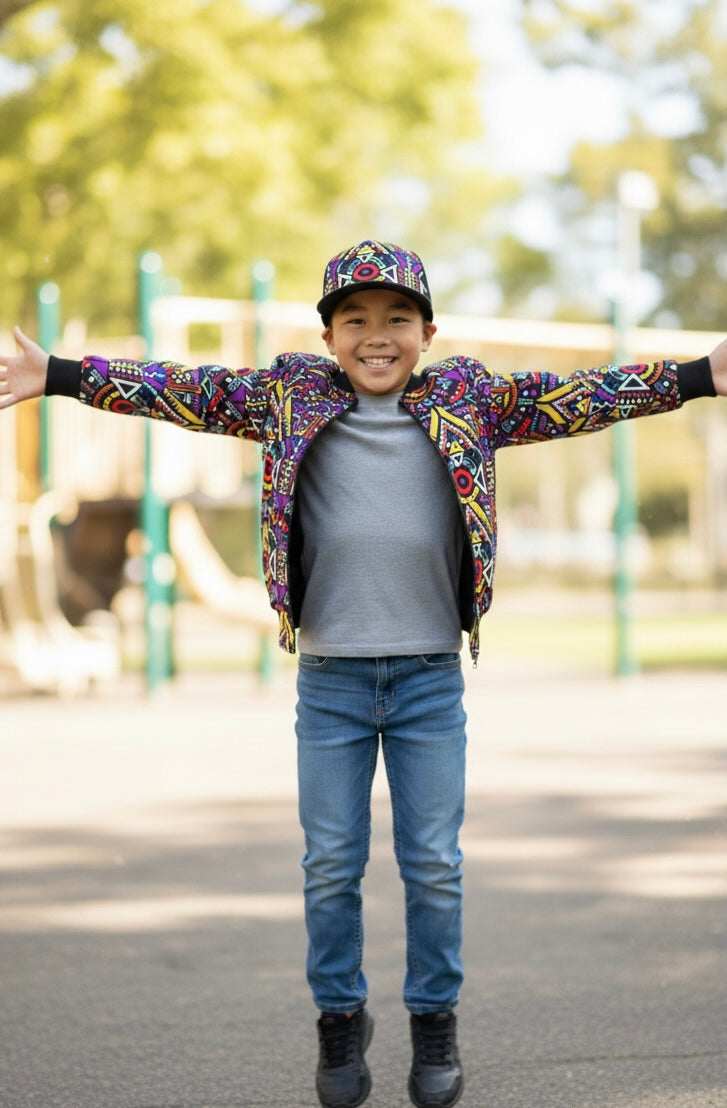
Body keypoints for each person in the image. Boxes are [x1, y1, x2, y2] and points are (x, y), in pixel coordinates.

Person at [1, 239, 725, 1108]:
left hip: (426, 679)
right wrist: (62, 376)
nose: (374, 338)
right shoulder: (287, 397)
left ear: (426, 332)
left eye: (395, 321)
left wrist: (697, 375)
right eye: (354, 321)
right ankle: (340, 1024)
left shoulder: (471, 402)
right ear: (329, 334)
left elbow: (579, 398)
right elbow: (187, 390)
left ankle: (434, 1025)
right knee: (331, 862)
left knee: (432, 862)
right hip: (332, 682)